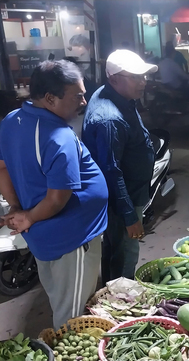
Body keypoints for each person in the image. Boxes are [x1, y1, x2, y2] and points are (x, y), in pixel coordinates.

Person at [0, 60, 108, 328]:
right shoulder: (58, 137)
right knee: (73, 315)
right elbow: (57, 199)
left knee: (61, 296)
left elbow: (1, 168)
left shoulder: (12, 120)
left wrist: (17, 208)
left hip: (45, 236)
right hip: (72, 238)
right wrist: (27, 217)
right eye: (78, 95)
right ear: (50, 98)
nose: (83, 101)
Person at [82, 49, 157, 283]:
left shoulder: (119, 96)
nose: (143, 82)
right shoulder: (109, 118)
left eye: (143, 76)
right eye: (135, 77)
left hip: (131, 191)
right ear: (114, 79)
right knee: (125, 253)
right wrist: (128, 216)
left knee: (115, 249)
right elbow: (111, 172)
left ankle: (112, 291)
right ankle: (119, 302)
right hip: (123, 198)